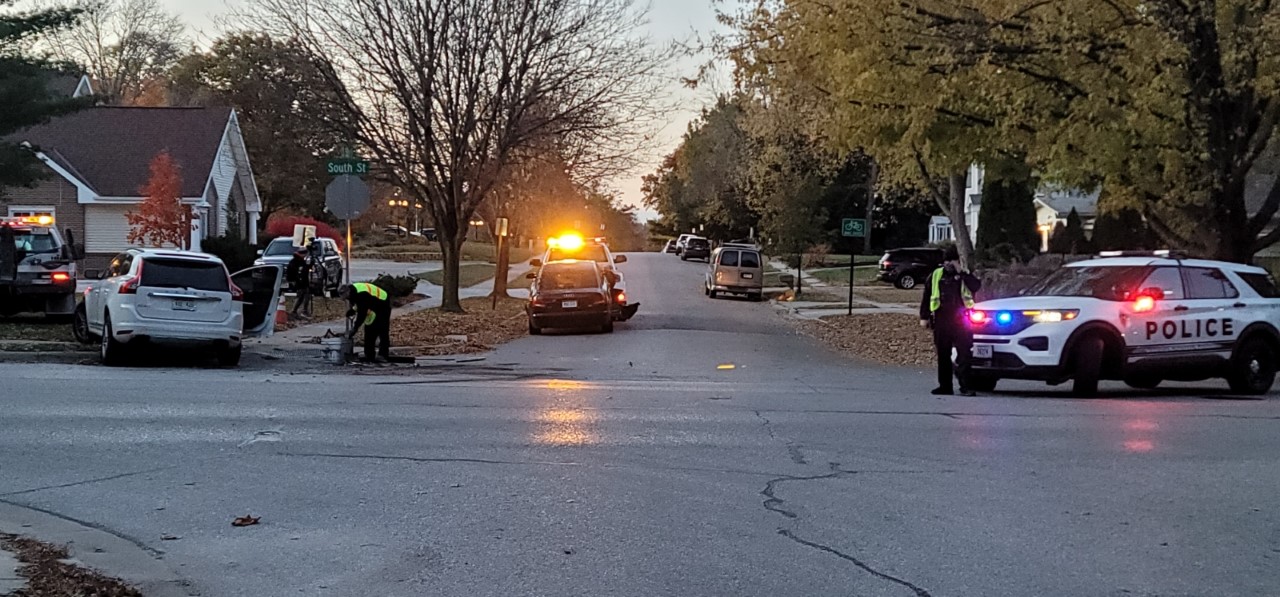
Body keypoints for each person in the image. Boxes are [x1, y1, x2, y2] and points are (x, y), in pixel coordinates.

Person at [919, 247, 982, 396]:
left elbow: (975, 286)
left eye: (952, 261)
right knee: (943, 354)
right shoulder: (936, 275)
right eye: (947, 261)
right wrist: (924, 316)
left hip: (962, 319)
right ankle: (945, 386)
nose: (949, 264)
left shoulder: (964, 276)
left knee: (964, 353)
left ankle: (966, 386)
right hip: (942, 319)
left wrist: (962, 272)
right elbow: (927, 296)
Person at [342, 282, 392, 362]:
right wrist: (353, 310)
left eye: (346, 297)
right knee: (369, 328)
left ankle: (383, 355)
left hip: (383, 302)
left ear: (348, 292)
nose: (347, 299)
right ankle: (369, 355)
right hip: (372, 301)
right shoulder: (354, 292)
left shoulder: (361, 294)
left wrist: (355, 328)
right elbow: (360, 304)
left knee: (381, 329)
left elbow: (362, 313)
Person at [285, 248, 313, 320]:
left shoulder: (299, 261)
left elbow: (305, 269)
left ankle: (299, 311)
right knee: (301, 295)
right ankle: (297, 311)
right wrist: (294, 281)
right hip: (299, 281)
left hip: (301, 281)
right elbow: (297, 272)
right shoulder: (296, 262)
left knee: (305, 294)